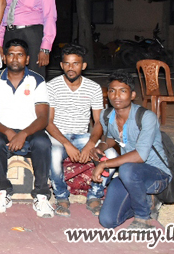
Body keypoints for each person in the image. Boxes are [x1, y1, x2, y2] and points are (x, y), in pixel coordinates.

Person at [91, 70, 171, 229]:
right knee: (107, 221)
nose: (116, 96)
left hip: (156, 174)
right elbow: (112, 137)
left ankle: (143, 218)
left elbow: (140, 156)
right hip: (130, 176)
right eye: (112, 91)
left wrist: (105, 164)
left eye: (123, 91)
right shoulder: (106, 115)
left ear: (132, 95)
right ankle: (147, 202)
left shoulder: (146, 117)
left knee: (126, 168)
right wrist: (100, 146)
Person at [0, 39, 53, 218]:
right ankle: (3, 191)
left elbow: (42, 118)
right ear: (4, 58)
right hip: (2, 130)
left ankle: (41, 195)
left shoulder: (37, 80)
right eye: (11, 54)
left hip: (30, 130)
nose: (15, 59)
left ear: (27, 59)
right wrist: (9, 132)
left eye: (20, 55)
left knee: (42, 143)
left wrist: (23, 134)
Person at [46, 43, 105, 217]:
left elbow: (99, 122)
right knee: (55, 154)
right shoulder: (51, 86)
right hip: (58, 135)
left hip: (82, 135)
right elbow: (48, 122)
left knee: (110, 155)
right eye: (67, 63)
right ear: (61, 65)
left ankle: (95, 195)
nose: (71, 68)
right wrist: (67, 144)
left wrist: (90, 144)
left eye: (76, 64)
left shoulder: (93, 87)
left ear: (83, 65)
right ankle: (61, 196)